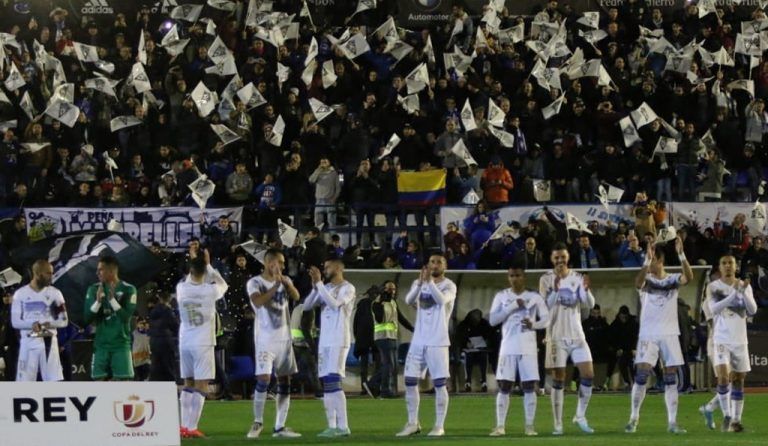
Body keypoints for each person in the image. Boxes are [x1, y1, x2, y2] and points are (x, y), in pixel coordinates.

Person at [625, 237, 693, 434]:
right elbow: (638, 283)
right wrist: (645, 261)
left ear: (660, 261)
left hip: (670, 334)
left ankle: (672, 423)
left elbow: (688, 277)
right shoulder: (647, 280)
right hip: (648, 334)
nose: (649, 261)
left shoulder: (672, 279)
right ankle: (634, 418)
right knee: (642, 374)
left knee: (670, 376)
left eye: (653, 259)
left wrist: (681, 254)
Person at [397, 253, 457, 437]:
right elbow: (408, 300)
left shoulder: (449, 285)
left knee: (439, 384)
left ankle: (439, 425)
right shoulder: (419, 283)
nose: (435, 265)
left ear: (445, 266)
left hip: (437, 341)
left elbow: (440, 300)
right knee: (409, 381)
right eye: (432, 262)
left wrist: (429, 282)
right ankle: (413, 423)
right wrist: (421, 284)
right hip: (418, 340)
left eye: (439, 262)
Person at [539, 243, 596, 435]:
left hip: (577, 335)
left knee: (588, 374)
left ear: (568, 257)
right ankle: (557, 423)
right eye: (556, 258)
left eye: (563, 257)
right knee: (558, 379)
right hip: (556, 336)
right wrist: (555, 290)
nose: (560, 261)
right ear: (551, 259)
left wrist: (586, 290)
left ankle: (580, 415)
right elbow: (543, 307)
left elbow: (589, 304)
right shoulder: (546, 279)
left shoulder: (577, 277)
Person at [246, 249, 302, 439]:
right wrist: (275, 286)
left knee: (285, 381)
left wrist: (286, 284)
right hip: (265, 339)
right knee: (263, 379)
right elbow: (259, 302)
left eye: (283, 263)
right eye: (279, 262)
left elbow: (296, 297)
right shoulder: (255, 282)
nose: (282, 266)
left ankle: (279, 426)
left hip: (284, 339)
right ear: (268, 262)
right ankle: (258, 422)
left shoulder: (284, 280)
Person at [488, 265, 550, 437]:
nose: (514, 279)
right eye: (511, 276)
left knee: (529, 386)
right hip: (508, 347)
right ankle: (500, 426)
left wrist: (534, 325)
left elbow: (546, 318)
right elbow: (493, 320)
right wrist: (511, 307)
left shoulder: (534, 296)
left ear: (524, 277)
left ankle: (529, 426)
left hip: (528, 348)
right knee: (504, 386)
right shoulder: (502, 296)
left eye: (517, 275)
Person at [176, 251, 228, 439]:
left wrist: (199, 264)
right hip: (203, 342)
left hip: (185, 342)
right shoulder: (209, 290)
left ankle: (182, 427)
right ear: (204, 271)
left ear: (190, 270)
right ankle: (192, 427)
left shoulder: (181, 288)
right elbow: (224, 284)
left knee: (187, 382)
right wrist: (210, 267)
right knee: (202, 384)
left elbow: (192, 276)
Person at [304, 258, 356, 438]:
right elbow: (308, 305)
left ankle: (344, 426)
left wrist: (320, 284)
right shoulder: (327, 287)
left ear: (338, 267)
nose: (324, 269)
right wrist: (315, 286)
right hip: (324, 341)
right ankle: (331, 426)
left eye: (327, 267)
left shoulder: (347, 288)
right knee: (327, 382)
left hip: (339, 338)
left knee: (334, 379)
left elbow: (335, 305)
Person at [705, 254, 758, 433]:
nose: (728, 266)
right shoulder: (713, 287)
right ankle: (727, 417)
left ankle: (736, 421)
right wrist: (734, 294)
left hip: (740, 339)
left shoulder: (744, 286)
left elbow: (752, 310)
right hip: (721, 338)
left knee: (738, 380)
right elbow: (713, 309)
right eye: (724, 263)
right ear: (720, 267)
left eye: (731, 263)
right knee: (723, 377)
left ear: (736, 267)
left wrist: (743, 292)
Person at [11, 259, 68, 381]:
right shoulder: (20, 294)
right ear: (38, 273)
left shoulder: (55, 294)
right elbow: (15, 322)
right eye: (48, 273)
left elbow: (64, 320)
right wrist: (31, 324)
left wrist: (47, 324)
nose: (52, 277)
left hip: (49, 342)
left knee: (53, 382)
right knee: (24, 383)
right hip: (28, 342)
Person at [83, 255, 137, 381]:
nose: (97, 273)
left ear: (111, 271)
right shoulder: (94, 289)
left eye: (100, 269)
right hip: (100, 345)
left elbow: (125, 318)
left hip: (121, 344)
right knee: (98, 382)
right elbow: (87, 319)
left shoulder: (129, 289)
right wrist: (97, 302)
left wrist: (112, 300)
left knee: (123, 384)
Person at [370, 280, 413, 398]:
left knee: (393, 366)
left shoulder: (393, 302)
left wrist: (413, 329)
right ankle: (384, 390)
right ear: (383, 289)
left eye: (393, 289)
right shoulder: (376, 303)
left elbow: (401, 318)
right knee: (388, 364)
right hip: (382, 337)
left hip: (392, 337)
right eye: (389, 289)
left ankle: (373, 384)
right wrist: (382, 303)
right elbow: (379, 319)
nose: (392, 291)